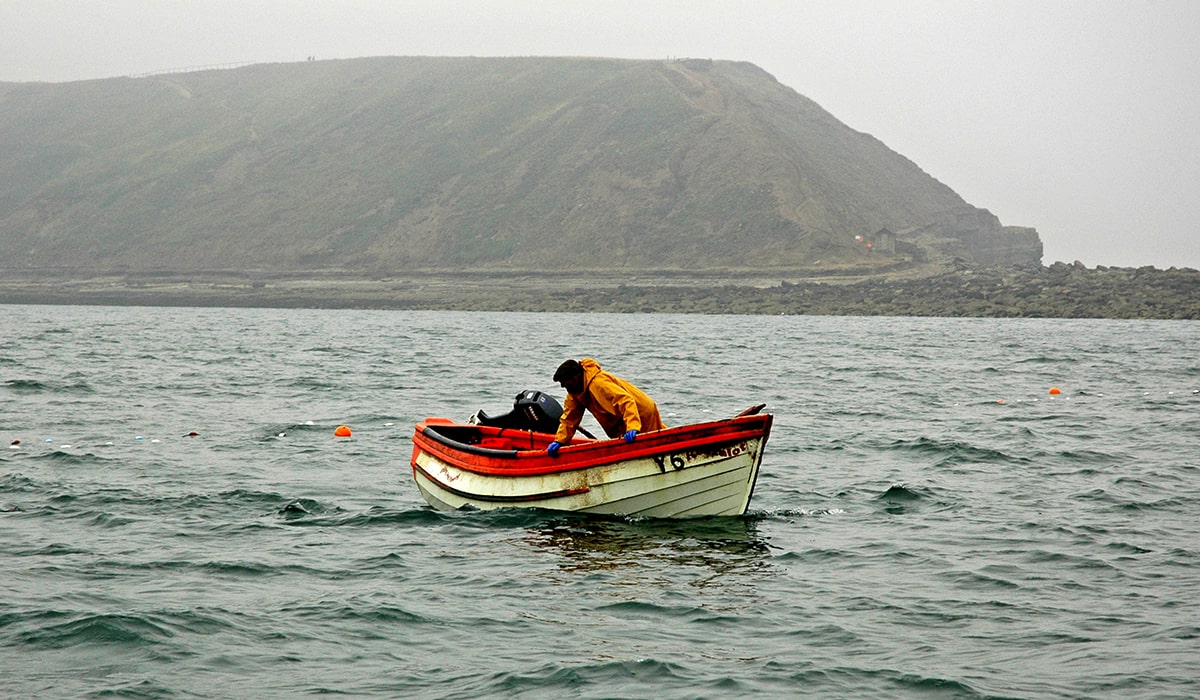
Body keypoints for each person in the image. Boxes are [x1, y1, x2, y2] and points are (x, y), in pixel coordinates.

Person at [546, 358, 665, 457]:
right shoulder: (575, 393)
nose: (562, 386)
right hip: (622, 421)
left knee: (654, 445)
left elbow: (625, 401)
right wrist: (559, 441)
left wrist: (632, 427)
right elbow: (569, 419)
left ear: (575, 378)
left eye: (564, 382)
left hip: (640, 413)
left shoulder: (598, 384)